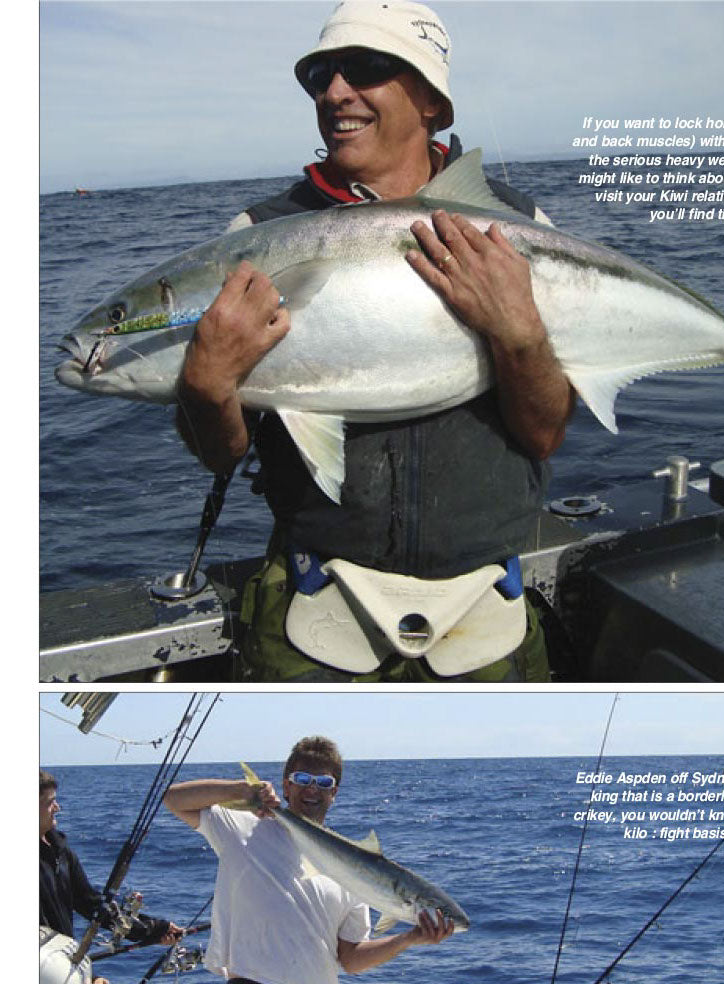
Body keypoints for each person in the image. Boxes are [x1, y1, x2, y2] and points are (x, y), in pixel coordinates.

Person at [175, 1, 575, 683]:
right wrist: (205, 387)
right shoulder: (258, 235)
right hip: (312, 610)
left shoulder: (520, 226)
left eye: (365, 68)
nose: (335, 93)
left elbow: (543, 435)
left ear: (432, 102)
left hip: (486, 611)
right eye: (319, 76)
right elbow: (219, 451)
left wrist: (524, 338)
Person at [163, 735, 455, 984]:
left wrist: (408, 939)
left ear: (335, 793)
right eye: (302, 779)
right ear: (285, 785)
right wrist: (241, 792)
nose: (312, 790)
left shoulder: (354, 868)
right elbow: (174, 799)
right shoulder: (242, 828)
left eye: (324, 783)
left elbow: (350, 959)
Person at [39, 770, 184, 984]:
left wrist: (154, 929)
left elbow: (93, 905)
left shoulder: (59, 852)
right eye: (47, 802)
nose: (56, 807)